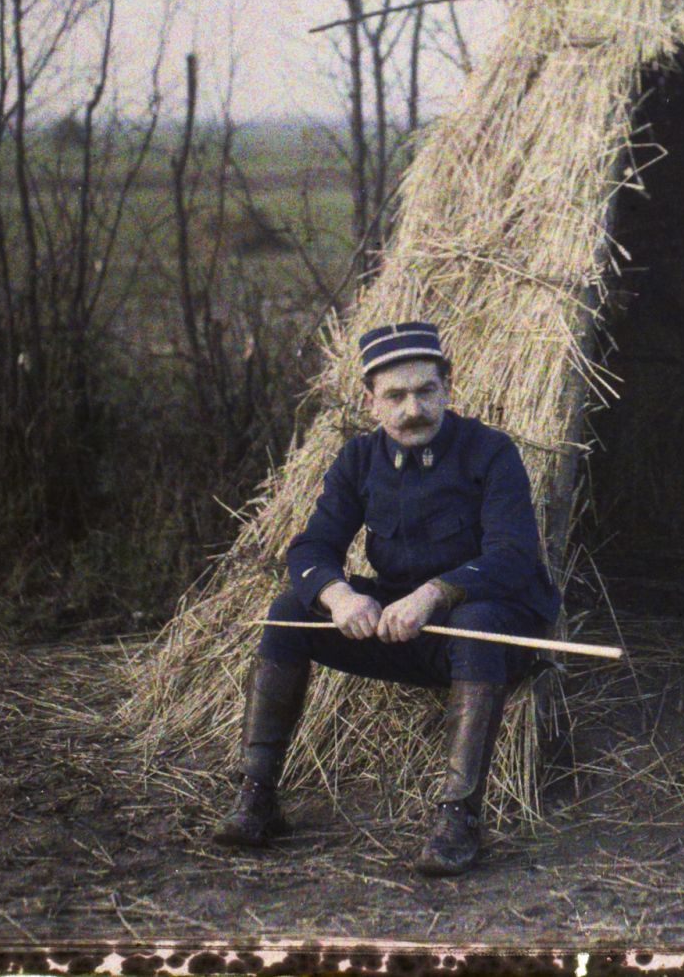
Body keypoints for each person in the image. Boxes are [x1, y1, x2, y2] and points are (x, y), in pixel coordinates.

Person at [212, 320, 562, 876]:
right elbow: (311, 547)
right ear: (371, 399)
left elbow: (513, 557)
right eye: (395, 396)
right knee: (288, 612)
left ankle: (458, 818)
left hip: (484, 636)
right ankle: (257, 795)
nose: (412, 409)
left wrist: (433, 594)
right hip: (399, 631)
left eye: (426, 391)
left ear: (448, 387)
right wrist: (339, 596)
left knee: (476, 615)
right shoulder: (358, 459)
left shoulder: (491, 453)